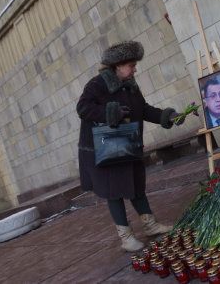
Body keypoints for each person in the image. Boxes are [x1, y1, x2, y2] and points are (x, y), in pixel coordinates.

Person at [76, 41, 184, 252]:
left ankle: (150, 225)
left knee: (136, 186)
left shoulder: (131, 86)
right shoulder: (97, 84)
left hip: (127, 145)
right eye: (131, 65)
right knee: (114, 192)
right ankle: (126, 237)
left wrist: (168, 116)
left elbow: (143, 109)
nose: (135, 69)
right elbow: (83, 108)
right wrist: (109, 113)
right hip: (103, 150)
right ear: (117, 65)